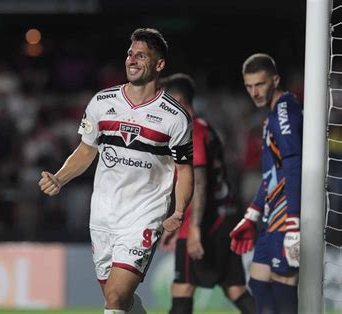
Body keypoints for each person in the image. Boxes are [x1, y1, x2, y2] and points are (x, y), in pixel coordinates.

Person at [38, 28, 194, 314]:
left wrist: (179, 210)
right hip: (103, 216)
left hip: (143, 216)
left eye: (141, 56)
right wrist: (59, 178)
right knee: (119, 300)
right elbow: (86, 151)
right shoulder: (102, 102)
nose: (132, 60)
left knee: (115, 300)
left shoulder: (175, 117)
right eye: (130, 54)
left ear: (159, 65)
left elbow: (185, 169)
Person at [158, 73, 256, 314]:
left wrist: (192, 228)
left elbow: (199, 182)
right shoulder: (206, 128)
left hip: (204, 223)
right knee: (235, 289)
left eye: (165, 102)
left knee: (182, 288)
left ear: (179, 100)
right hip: (226, 217)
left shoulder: (191, 132)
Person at [229, 53, 302, 314]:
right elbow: (270, 173)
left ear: (275, 80)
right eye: (249, 86)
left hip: (285, 214)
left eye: (259, 84)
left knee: (283, 286)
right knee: (259, 284)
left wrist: (294, 223)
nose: (254, 92)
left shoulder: (285, 111)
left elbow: (294, 165)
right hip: (271, 215)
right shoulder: (270, 117)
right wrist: (252, 215)